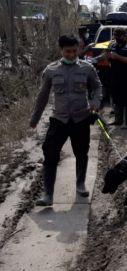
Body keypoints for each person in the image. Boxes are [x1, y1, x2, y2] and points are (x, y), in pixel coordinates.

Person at [30, 34, 102, 206]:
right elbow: (42, 96)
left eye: (74, 51)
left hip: (81, 118)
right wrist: (35, 118)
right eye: (67, 51)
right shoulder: (51, 70)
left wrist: (95, 102)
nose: (71, 54)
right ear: (60, 50)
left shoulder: (87, 68)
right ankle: (48, 194)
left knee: (81, 153)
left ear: (78, 49)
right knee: (50, 155)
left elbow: (97, 86)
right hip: (59, 120)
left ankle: (80, 183)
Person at [107, 28, 127, 129]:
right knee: (116, 99)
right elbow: (109, 58)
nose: (124, 37)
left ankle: (126, 123)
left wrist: (117, 57)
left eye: (124, 35)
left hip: (125, 77)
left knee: (126, 100)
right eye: (122, 35)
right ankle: (117, 120)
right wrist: (107, 56)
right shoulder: (113, 45)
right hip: (114, 76)